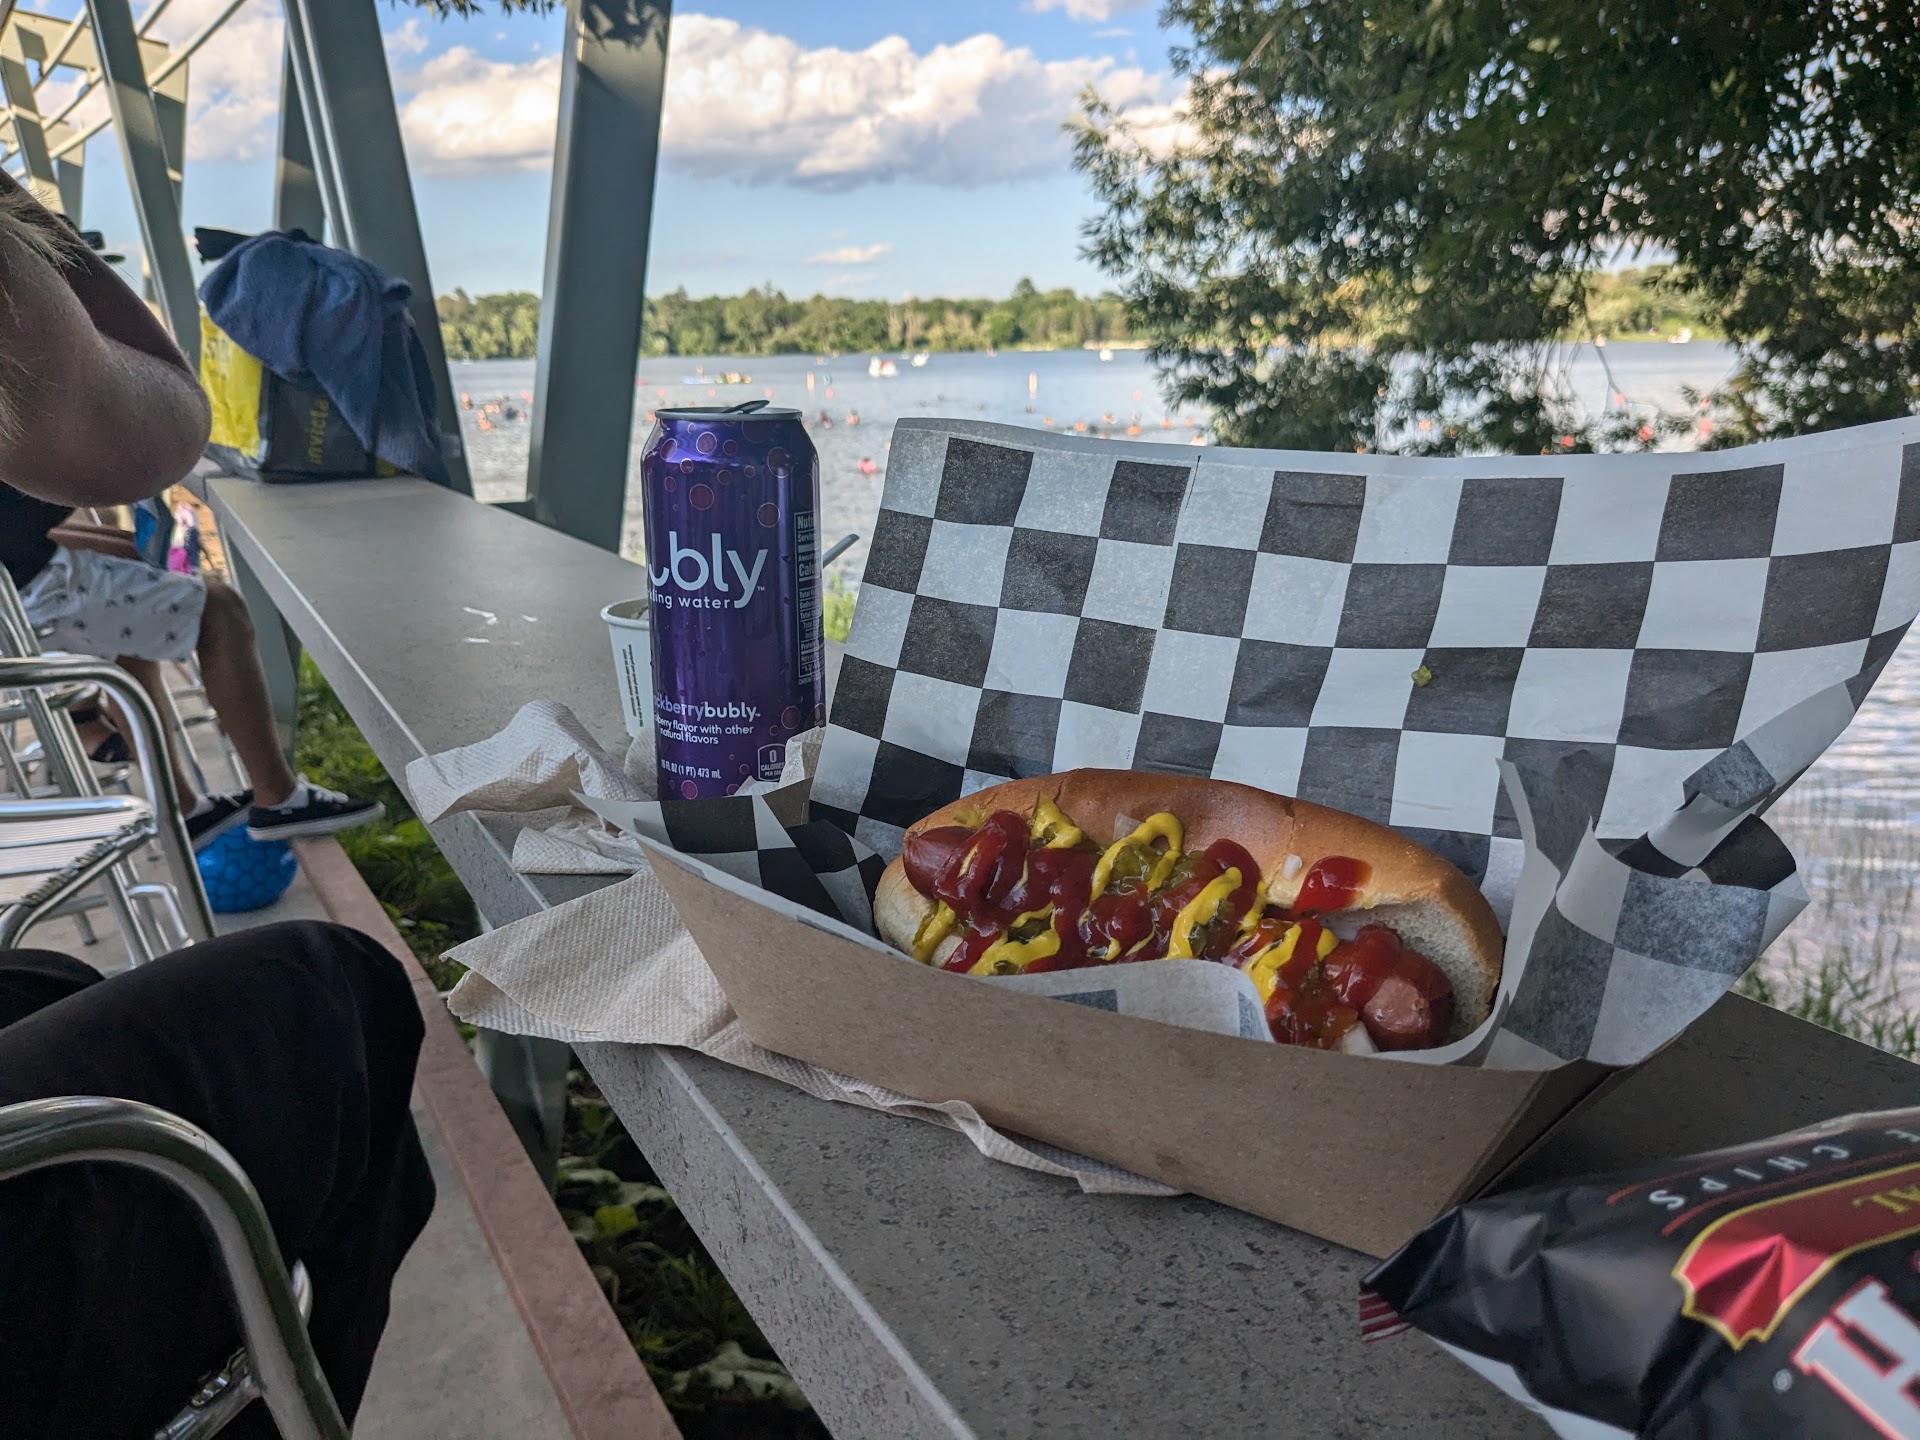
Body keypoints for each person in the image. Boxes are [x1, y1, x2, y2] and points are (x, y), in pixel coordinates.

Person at [0, 174, 435, 1434]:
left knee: (49, 984)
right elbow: (153, 427)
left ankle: (192, 792)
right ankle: (275, 793)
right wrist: (31, 218)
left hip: (35, 610)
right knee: (336, 996)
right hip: (39, 624)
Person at [0, 174, 381, 850]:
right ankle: (278, 796)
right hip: (24, 612)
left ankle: (182, 803)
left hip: (16, 596)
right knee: (220, 608)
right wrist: (35, 229)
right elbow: (163, 438)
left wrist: (111, 548)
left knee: (134, 603)